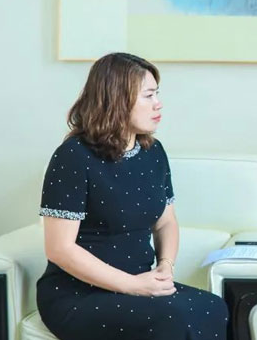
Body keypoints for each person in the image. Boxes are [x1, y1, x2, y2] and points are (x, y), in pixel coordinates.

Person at [37, 53, 227, 339]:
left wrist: (165, 266)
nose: (158, 103)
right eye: (148, 96)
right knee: (174, 319)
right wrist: (132, 285)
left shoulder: (154, 152)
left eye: (157, 94)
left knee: (213, 307)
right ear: (117, 100)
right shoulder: (73, 156)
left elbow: (166, 222)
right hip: (77, 294)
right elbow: (59, 249)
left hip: (140, 283)